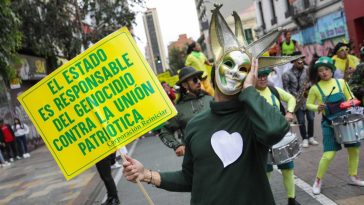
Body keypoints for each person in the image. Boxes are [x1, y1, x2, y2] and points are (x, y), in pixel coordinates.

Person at [306, 56, 364, 195]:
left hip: (346, 121)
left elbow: (352, 98)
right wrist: (316, 108)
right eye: (321, 71)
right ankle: (318, 180)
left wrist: (350, 102)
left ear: (331, 70)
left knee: (354, 150)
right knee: (328, 154)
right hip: (329, 124)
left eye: (326, 69)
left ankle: (353, 176)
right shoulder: (315, 88)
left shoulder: (341, 83)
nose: (324, 72)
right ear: (317, 73)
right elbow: (308, 104)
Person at [256, 67, 300, 205]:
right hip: (262, 140)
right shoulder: (251, 95)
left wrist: (290, 112)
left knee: (288, 168)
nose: (263, 78)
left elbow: (291, 98)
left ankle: (291, 200)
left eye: (265, 75)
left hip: (280, 136)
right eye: (259, 76)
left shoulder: (273, 90)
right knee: (266, 173)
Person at [158, 67, 212, 157]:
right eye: (194, 79)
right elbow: (164, 131)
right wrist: (177, 145)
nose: (198, 81)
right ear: (185, 85)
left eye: (199, 78)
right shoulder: (178, 109)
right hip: (196, 159)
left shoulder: (211, 99)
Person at [282, 52, 318, 147]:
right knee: (301, 121)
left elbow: (313, 82)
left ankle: (311, 137)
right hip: (296, 101)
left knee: (311, 118)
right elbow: (285, 89)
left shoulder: (308, 70)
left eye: (302, 59)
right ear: (293, 61)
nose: (301, 61)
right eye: (298, 60)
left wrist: (308, 88)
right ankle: (304, 138)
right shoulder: (286, 74)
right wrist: (292, 98)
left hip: (308, 99)